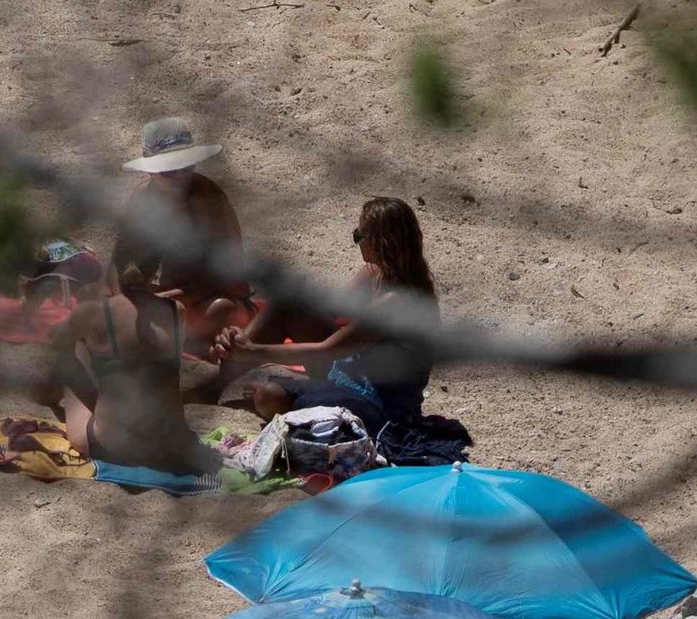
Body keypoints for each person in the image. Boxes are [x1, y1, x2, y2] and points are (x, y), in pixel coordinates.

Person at [210, 197, 436, 426]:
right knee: (289, 306)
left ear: (381, 243)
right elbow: (333, 310)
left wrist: (255, 351)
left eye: (360, 236)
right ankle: (218, 377)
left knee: (268, 396)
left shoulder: (395, 301)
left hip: (380, 402)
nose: (358, 242)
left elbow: (329, 349)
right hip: (358, 372)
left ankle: (249, 369)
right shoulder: (375, 274)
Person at [54, 250, 214, 478]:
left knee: (70, 353)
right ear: (154, 272)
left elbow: (55, 337)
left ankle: (52, 400)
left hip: (115, 448)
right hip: (170, 447)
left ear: (112, 270)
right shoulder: (175, 310)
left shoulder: (93, 312)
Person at [119, 118, 249, 348]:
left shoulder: (207, 200)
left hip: (209, 297)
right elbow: (120, 260)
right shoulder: (142, 200)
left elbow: (224, 277)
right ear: (151, 172)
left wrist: (161, 300)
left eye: (186, 166)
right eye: (170, 171)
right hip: (169, 299)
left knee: (222, 310)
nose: (181, 176)